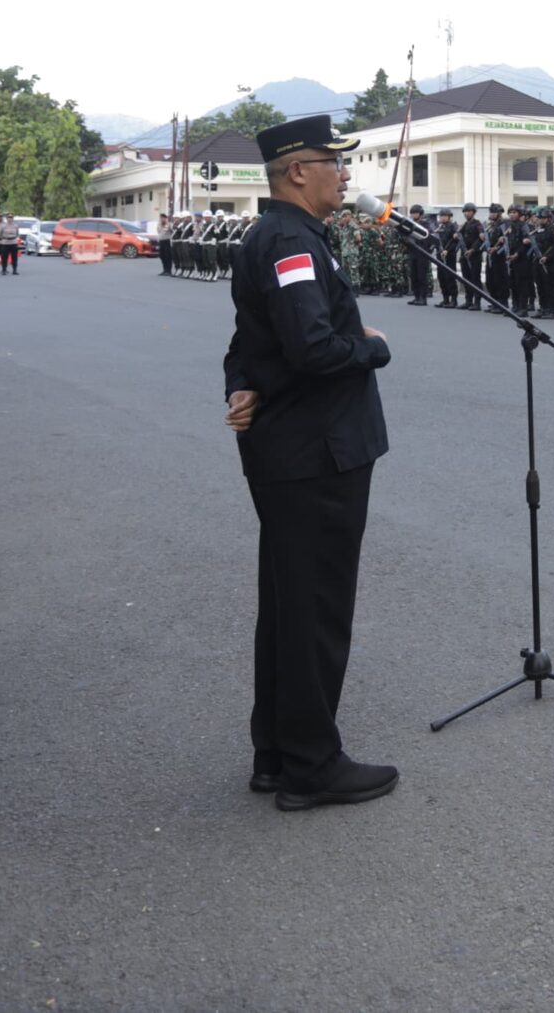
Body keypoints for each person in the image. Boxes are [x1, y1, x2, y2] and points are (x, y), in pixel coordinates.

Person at [221, 115, 398, 811]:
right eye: (334, 161)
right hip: (316, 451)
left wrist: (241, 382)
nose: (344, 174)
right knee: (316, 607)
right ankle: (311, 764)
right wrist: (373, 344)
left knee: (290, 605)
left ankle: (278, 750)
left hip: (294, 447)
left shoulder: (274, 236)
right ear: (298, 170)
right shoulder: (291, 241)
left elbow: (250, 340)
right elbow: (314, 349)